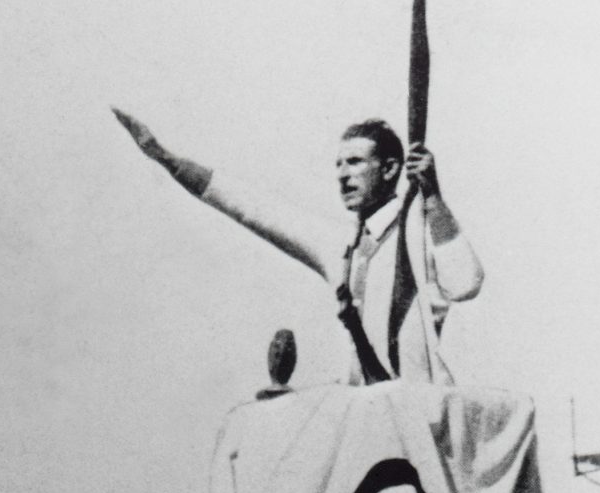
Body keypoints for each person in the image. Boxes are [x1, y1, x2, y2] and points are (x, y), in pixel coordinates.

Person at [115, 111, 483, 386]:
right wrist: (168, 161)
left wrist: (433, 197)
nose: (342, 175)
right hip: (367, 421)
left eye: (354, 162)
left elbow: (465, 283)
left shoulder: (420, 230)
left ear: (389, 169)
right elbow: (252, 207)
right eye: (338, 164)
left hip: (426, 423)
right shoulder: (341, 247)